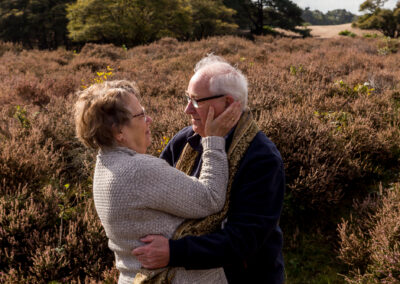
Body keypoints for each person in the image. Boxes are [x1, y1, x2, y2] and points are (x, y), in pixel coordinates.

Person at [132, 55, 286, 284]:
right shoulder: (184, 141)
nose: (187, 110)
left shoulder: (262, 158)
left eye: (196, 101)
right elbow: (156, 200)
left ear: (228, 103)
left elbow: (242, 241)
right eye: (187, 98)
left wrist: (173, 252)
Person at [74, 79, 242, 284]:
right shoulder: (137, 171)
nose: (149, 119)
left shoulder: (105, 165)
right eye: (141, 115)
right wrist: (214, 140)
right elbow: (210, 199)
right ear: (118, 131)